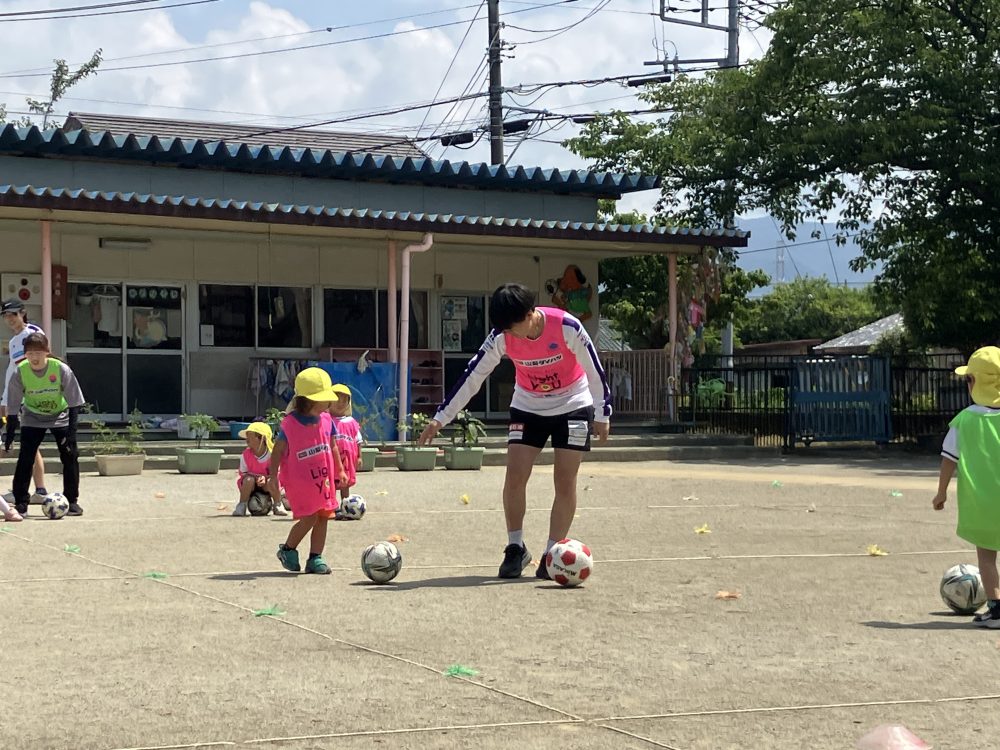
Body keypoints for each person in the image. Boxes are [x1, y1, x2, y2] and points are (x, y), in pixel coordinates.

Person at [418, 282, 611, 579]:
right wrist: (440, 418)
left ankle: (552, 554)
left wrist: (602, 412)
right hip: (528, 406)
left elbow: (594, 369)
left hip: (572, 403)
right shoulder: (502, 336)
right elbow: (474, 375)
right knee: (516, 474)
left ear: (530, 312)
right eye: (506, 328)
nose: (513, 334)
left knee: (565, 478)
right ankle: (515, 547)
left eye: (515, 325)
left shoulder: (566, 326)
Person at [934, 346, 1000, 627]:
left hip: (982, 506)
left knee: (986, 558)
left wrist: (941, 492)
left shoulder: (964, 420)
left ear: (974, 383)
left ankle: (997, 610)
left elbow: (949, 459)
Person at [273, 367, 348, 575]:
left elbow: (332, 444)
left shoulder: (326, 420)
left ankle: (315, 557)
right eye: (325, 399)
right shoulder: (290, 424)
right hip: (301, 481)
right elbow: (277, 451)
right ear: (309, 400)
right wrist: (272, 478)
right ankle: (288, 549)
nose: (330, 403)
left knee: (323, 516)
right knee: (310, 517)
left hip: (323, 480)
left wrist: (340, 470)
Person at [2, 332, 85, 517]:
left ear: (47, 352)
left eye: (38, 352)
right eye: (30, 353)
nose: (34, 357)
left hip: (60, 415)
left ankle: (71, 501)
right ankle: (21, 502)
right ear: (25, 354)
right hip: (32, 416)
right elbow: (13, 407)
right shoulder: (20, 371)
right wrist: (9, 434)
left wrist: (71, 434)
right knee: (25, 458)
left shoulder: (61, 369)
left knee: (70, 456)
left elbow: (74, 403)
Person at [1, 299, 49, 502]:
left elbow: (37, 365)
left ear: (23, 313)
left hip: (30, 398)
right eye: (6, 316)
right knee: (29, 446)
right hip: (14, 399)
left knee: (29, 444)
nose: (10, 319)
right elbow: (13, 372)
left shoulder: (33, 334)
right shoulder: (13, 342)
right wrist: (5, 400)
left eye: (13, 314)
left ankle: (31, 491)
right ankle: (38, 491)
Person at [233, 421, 286, 517]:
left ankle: (278, 504)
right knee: (248, 480)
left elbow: (276, 473)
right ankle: (242, 505)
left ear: (261, 438)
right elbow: (243, 474)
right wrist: (256, 478)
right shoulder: (246, 454)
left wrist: (265, 478)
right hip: (252, 485)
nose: (247, 438)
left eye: (250, 435)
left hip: (267, 485)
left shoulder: (272, 455)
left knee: (271, 481)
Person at [329, 384, 363, 505]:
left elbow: (358, 440)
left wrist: (359, 457)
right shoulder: (326, 421)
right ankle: (331, 505)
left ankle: (345, 505)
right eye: (337, 399)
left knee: (345, 483)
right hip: (331, 459)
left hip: (347, 460)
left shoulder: (352, 422)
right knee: (331, 483)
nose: (341, 403)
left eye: (345, 400)